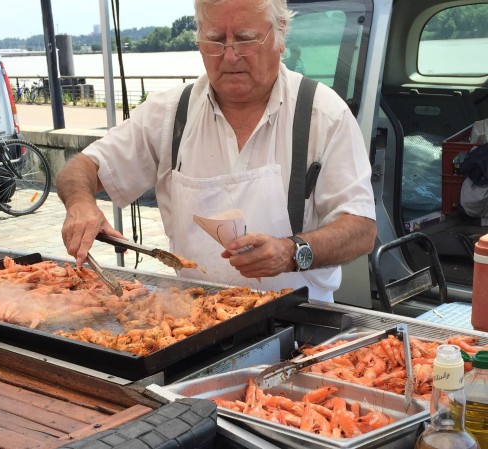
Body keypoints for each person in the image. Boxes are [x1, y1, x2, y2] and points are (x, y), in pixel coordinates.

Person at [57, 0, 377, 302]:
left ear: (280, 36)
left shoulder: (323, 113)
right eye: (214, 40)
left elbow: (361, 229)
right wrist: (80, 204)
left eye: (245, 39)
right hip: (192, 322)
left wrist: (292, 252)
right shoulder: (170, 113)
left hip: (298, 325)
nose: (229, 56)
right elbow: (82, 167)